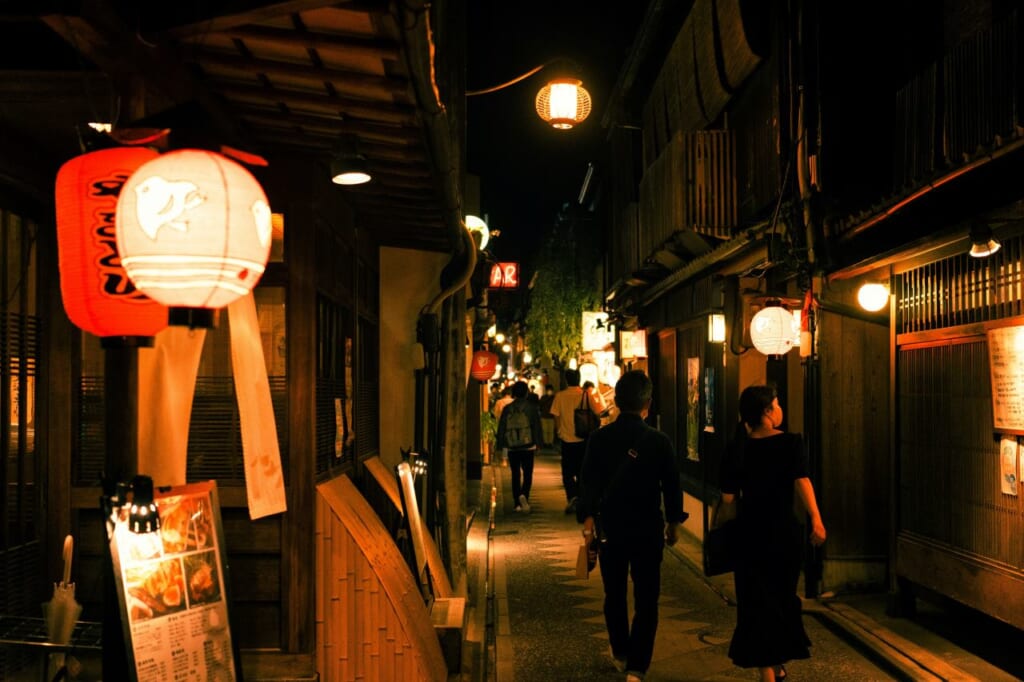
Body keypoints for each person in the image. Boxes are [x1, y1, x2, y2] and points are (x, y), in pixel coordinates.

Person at [577, 370, 686, 681]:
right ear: (647, 404)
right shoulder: (659, 441)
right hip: (647, 529)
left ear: (617, 402)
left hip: (610, 527)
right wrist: (674, 523)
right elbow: (672, 485)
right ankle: (638, 665)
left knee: (614, 593)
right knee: (647, 596)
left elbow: (589, 483)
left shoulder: (599, 439)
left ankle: (621, 651)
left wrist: (587, 522)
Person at [720, 384, 827, 682]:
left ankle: (769, 667)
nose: (780, 408)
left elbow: (728, 501)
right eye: (777, 404)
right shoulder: (791, 443)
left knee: (754, 602)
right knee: (781, 599)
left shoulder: (736, 448)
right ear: (767, 411)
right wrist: (816, 519)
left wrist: (722, 530)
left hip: (748, 535)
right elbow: (801, 481)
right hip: (783, 533)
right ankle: (772, 667)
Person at [549, 368, 600, 513]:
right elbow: (598, 411)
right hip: (584, 438)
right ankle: (582, 498)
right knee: (582, 470)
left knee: (567, 471)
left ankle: (572, 497)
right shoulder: (586, 394)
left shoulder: (560, 396)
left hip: (567, 439)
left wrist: (559, 431)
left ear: (566, 380)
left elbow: (556, 416)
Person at [496, 381, 542, 513]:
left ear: (514, 393)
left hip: (512, 447)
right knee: (528, 473)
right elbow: (536, 427)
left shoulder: (508, 408)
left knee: (515, 474)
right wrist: (538, 444)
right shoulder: (531, 408)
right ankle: (524, 496)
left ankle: (517, 503)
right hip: (528, 446)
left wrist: (501, 447)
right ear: (526, 392)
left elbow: (502, 429)